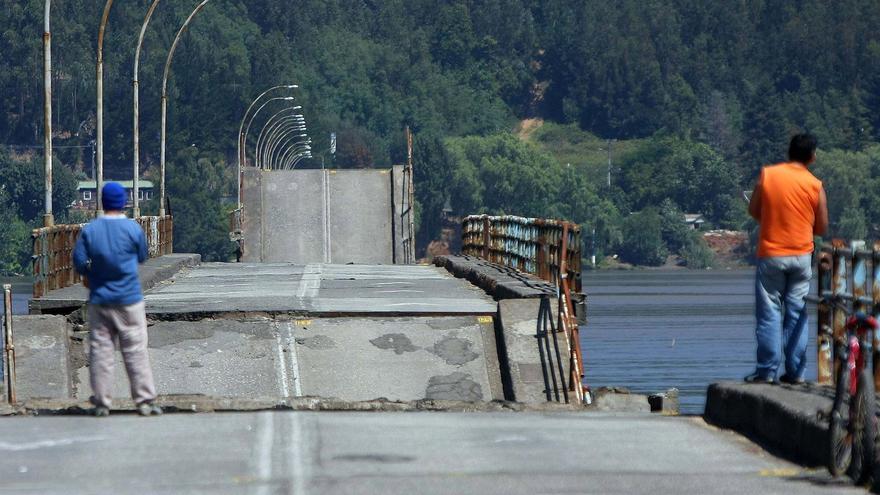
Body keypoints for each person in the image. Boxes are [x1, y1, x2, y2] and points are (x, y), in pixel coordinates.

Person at [746, 133, 829, 384]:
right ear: (812, 157)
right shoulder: (815, 185)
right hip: (802, 256)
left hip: (771, 254)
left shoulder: (768, 175)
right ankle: (795, 372)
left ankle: (767, 371)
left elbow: (753, 210)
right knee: (797, 312)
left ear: (789, 152)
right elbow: (822, 227)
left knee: (770, 312)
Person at [73, 182, 162, 416]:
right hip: (129, 299)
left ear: (103, 202)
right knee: (135, 349)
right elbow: (142, 256)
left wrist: (91, 275)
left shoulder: (91, 230)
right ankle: (144, 400)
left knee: (101, 351)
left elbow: (79, 261)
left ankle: (102, 402)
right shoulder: (133, 229)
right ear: (123, 203)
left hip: (100, 299)